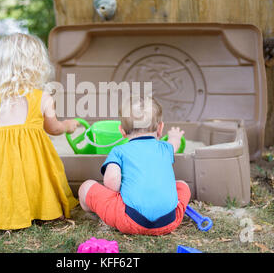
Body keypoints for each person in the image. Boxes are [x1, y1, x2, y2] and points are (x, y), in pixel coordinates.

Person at [0, 33, 79, 230]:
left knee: (5, 185)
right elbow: (53, 128)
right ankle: (42, 211)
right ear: (38, 65)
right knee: (35, 181)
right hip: (31, 160)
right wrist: (68, 126)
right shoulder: (43, 97)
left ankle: (2, 212)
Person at [78, 96, 191, 235]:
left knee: (87, 186)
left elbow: (111, 183)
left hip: (130, 220)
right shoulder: (165, 147)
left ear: (122, 131)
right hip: (169, 221)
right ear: (160, 128)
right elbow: (174, 145)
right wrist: (175, 137)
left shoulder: (119, 151)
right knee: (182, 185)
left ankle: (90, 209)